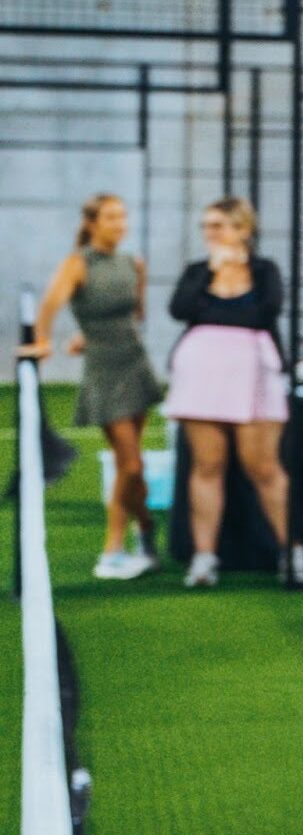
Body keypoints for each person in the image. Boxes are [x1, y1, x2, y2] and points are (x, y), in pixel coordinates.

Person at [165, 197, 303, 587]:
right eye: (207, 226)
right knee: (206, 466)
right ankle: (203, 559)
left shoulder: (264, 271)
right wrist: (212, 275)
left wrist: (220, 309)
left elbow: (265, 311)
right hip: (200, 375)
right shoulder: (197, 272)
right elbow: (180, 309)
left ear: (243, 229)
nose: (212, 233)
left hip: (254, 374)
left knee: (263, 467)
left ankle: (292, 552)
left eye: (221, 225)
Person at [18, 193, 163, 580]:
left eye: (123, 217)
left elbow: (137, 314)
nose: (120, 224)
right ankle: (120, 544)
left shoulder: (134, 264)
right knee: (129, 464)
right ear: (93, 223)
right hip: (103, 371)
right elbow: (50, 306)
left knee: (133, 467)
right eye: (112, 217)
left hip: (135, 364)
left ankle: (144, 535)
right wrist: (45, 340)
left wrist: (89, 332)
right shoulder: (76, 264)